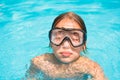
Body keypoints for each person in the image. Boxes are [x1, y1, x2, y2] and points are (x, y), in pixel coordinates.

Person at [25, 12, 107, 80]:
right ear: (51, 42)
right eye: (58, 38)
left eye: (75, 39)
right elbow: (29, 77)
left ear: (84, 45)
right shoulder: (39, 62)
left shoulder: (90, 67)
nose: (66, 45)